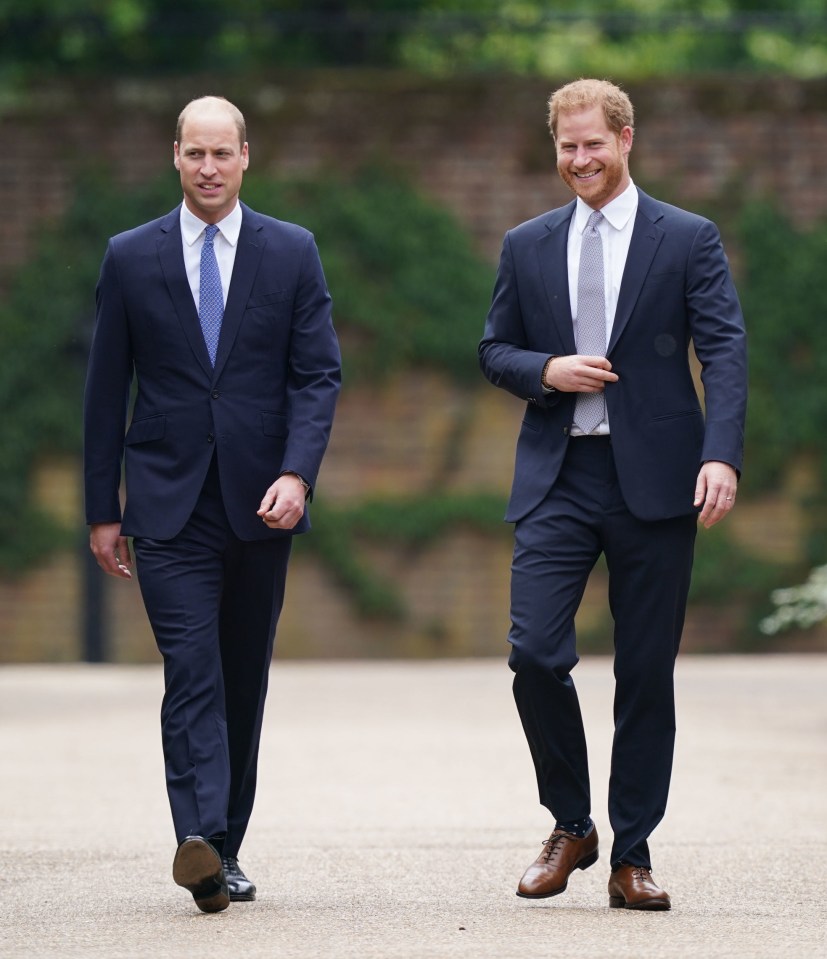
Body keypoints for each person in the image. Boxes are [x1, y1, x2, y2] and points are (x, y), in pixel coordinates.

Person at [478, 78, 746, 911]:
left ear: (626, 139)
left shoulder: (686, 237)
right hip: (558, 474)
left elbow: (725, 349)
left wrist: (720, 455)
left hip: (658, 481)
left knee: (644, 672)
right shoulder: (526, 244)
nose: (579, 159)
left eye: (593, 143)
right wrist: (544, 370)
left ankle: (631, 852)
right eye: (567, 146)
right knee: (533, 653)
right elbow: (494, 350)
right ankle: (571, 822)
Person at [84, 96, 341, 913]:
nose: (207, 168)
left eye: (221, 154)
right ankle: (198, 838)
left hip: (262, 503)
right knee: (190, 670)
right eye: (194, 153)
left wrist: (298, 475)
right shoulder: (130, 257)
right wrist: (102, 507)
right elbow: (103, 392)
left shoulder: (291, 252)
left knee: (241, 679)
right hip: (165, 506)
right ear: (175, 156)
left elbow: (317, 375)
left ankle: (223, 846)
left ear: (244, 157)